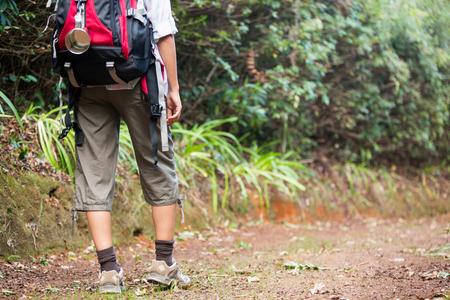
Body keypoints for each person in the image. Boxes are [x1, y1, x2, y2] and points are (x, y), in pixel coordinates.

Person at [71, 0, 190, 293]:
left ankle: (108, 271)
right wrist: (173, 89)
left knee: (94, 172)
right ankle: (163, 263)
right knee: (156, 163)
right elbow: (163, 33)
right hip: (139, 80)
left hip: (88, 83)